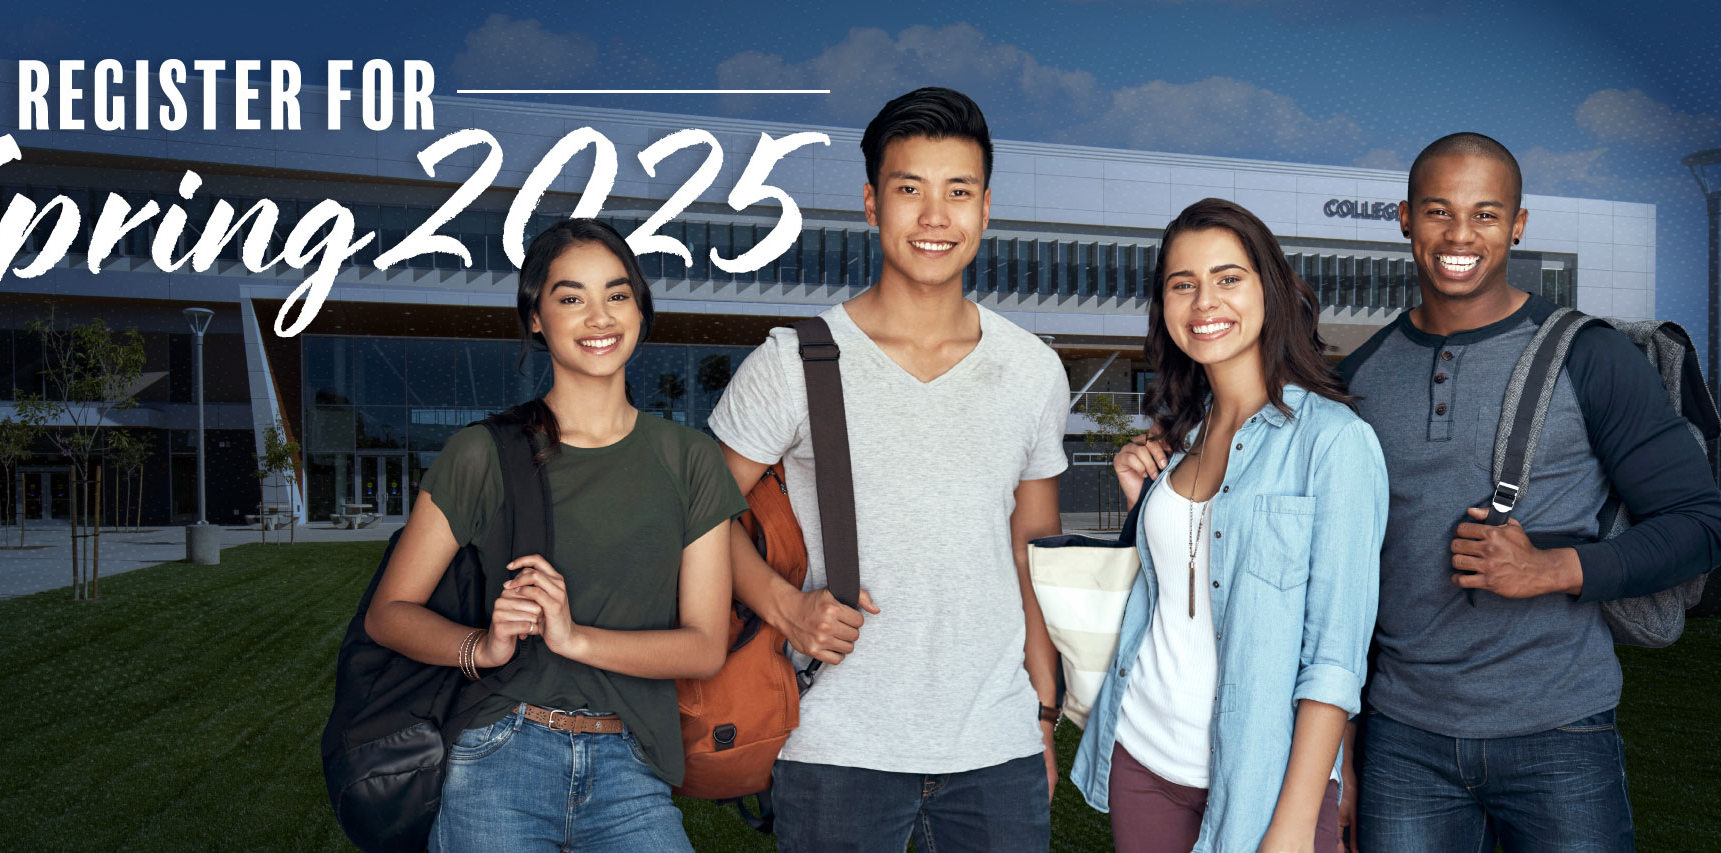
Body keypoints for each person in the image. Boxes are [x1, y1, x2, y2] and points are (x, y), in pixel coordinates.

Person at [707, 87, 1070, 851]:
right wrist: (781, 604)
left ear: (985, 206)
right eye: (910, 189)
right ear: (873, 205)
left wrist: (1042, 713)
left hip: (995, 747)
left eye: (957, 191)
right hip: (836, 745)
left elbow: (1032, 549)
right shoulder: (793, 362)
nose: (935, 216)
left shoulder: (1033, 370)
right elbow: (689, 511)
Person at [1337, 133, 1721, 853]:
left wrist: (1555, 568)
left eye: (1485, 214)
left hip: (1560, 734)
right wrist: (1346, 748)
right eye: (1437, 211)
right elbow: (1343, 581)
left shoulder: (1590, 355)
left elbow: (1702, 522)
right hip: (1402, 743)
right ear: (1403, 218)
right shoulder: (1360, 376)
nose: (1459, 234)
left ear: (1517, 224)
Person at [363, 218, 749, 852]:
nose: (599, 316)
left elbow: (704, 648)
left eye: (617, 295)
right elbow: (390, 614)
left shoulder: (688, 459)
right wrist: (482, 648)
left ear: (640, 310)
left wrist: (572, 638)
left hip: (633, 763)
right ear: (536, 318)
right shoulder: (483, 453)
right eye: (572, 298)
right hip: (500, 757)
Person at [1069, 198, 1386, 853]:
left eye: (1227, 278)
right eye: (1182, 284)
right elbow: (1178, 594)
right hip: (1145, 760)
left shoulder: (1335, 442)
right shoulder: (1182, 435)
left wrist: (1296, 824)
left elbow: (1334, 657)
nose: (1203, 300)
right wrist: (1143, 502)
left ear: (1269, 288)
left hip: (1267, 785)